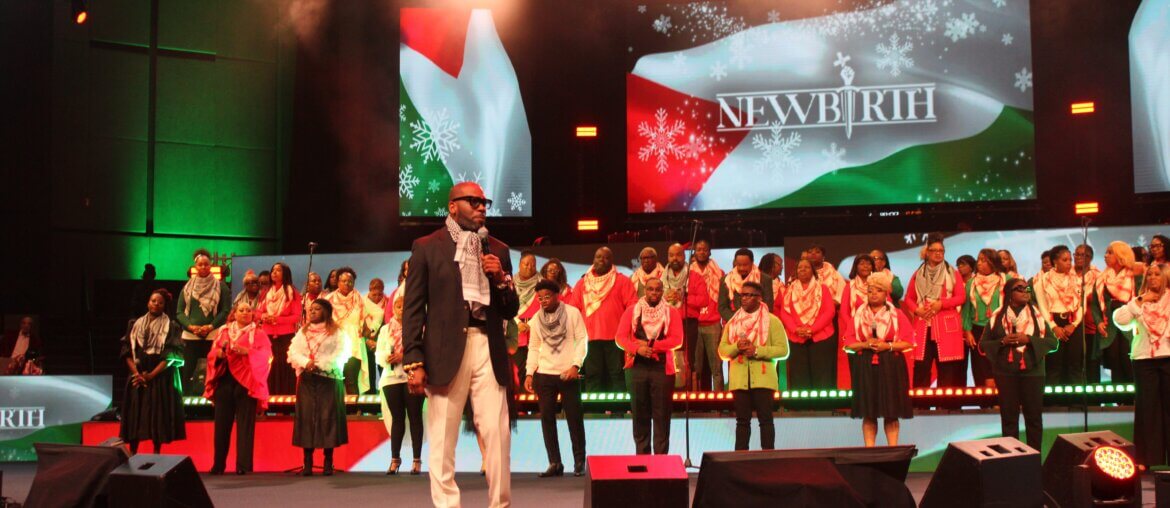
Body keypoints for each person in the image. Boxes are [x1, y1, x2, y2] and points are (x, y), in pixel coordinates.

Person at [402, 182, 519, 508]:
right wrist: (414, 359)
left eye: (484, 202)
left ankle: (500, 504)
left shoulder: (498, 249)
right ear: (452, 207)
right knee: (441, 437)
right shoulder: (427, 247)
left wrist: (500, 280)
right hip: (443, 351)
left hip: (487, 344)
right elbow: (413, 309)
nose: (482, 207)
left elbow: (511, 309)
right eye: (474, 201)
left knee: (497, 435)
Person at [980, 278, 1058, 452]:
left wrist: (1028, 339)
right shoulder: (997, 317)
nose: (1025, 291)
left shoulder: (1038, 316)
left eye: (1027, 288)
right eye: (1019, 289)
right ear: (1009, 294)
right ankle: (1011, 459)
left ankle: (1034, 459)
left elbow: (1053, 343)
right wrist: (1002, 341)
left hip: (1033, 373)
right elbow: (983, 345)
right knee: (1009, 419)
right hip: (1005, 373)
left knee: (1034, 419)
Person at [524, 279, 589, 477]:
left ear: (557, 295)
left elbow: (582, 339)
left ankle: (579, 463)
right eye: (540, 298)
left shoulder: (572, 313)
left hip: (567, 373)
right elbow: (534, 347)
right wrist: (529, 372)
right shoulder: (535, 319)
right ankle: (555, 462)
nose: (543, 300)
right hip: (544, 374)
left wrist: (575, 365)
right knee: (547, 419)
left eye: (547, 296)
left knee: (574, 419)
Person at [843, 272, 915, 447]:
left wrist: (888, 346)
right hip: (865, 364)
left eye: (878, 290)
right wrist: (865, 344)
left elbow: (909, 342)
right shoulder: (858, 315)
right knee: (869, 411)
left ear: (886, 294)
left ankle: (893, 449)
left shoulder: (897, 314)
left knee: (892, 410)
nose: (873, 294)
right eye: (870, 290)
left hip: (891, 363)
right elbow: (848, 344)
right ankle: (869, 450)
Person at [615, 278, 683, 455]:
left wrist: (652, 348)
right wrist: (638, 349)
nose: (654, 293)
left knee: (661, 416)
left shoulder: (671, 312)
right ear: (645, 290)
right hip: (637, 367)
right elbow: (620, 338)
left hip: (662, 368)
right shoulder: (632, 311)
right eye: (650, 289)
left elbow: (677, 340)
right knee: (639, 414)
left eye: (658, 290)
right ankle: (642, 458)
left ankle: (661, 460)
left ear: (662, 292)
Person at [1113, 262, 1170, 470]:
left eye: (1157, 274)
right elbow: (1120, 320)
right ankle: (1145, 458)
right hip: (1144, 359)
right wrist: (1140, 300)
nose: (1153, 277)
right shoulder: (1139, 300)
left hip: (1167, 356)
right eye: (1150, 274)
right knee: (1147, 409)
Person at [718, 281, 788, 450]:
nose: (745, 298)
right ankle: (740, 460)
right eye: (743, 295)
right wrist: (737, 347)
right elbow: (722, 351)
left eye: (749, 295)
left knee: (765, 420)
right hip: (739, 380)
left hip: (763, 379)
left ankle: (768, 460)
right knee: (742, 421)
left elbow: (783, 351)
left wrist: (757, 351)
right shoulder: (732, 322)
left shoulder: (772, 321)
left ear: (759, 298)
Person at [204, 300, 272, 475]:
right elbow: (212, 353)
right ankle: (218, 465)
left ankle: (243, 466)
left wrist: (247, 352)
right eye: (241, 310)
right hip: (225, 380)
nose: (245, 313)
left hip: (246, 383)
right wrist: (218, 354)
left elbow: (267, 356)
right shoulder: (223, 331)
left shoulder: (258, 333)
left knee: (245, 427)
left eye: (248, 310)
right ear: (234, 313)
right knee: (221, 426)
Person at [120, 289, 186, 454]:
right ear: (148, 302)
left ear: (165, 306)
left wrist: (150, 376)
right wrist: (137, 374)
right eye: (153, 301)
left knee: (157, 417)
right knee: (135, 415)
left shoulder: (170, 326)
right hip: (137, 377)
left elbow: (170, 356)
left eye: (160, 302)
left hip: (159, 377)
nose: (156, 304)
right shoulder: (134, 324)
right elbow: (126, 353)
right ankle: (132, 453)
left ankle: (157, 454)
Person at [288, 298, 349, 476]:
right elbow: (293, 352)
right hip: (307, 380)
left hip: (328, 380)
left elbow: (341, 352)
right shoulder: (303, 332)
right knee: (307, 419)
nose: (312, 311)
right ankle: (307, 463)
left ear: (326, 312)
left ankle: (328, 462)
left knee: (327, 418)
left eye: (317, 309)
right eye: (311, 309)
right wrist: (306, 362)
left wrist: (321, 364)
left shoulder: (337, 332)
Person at [570, 246, 637, 393]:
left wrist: (626, 331)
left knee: (617, 375)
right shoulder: (582, 283)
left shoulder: (622, 281)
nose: (602, 260)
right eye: (598, 257)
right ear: (593, 260)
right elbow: (573, 309)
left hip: (616, 339)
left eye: (606, 257)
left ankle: (618, 413)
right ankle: (593, 412)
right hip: (590, 339)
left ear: (612, 261)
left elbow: (633, 307)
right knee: (593, 376)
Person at [905, 234, 967, 389]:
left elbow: (961, 297)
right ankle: (920, 407)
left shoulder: (952, 273)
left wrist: (942, 304)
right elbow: (908, 298)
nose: (938, 253)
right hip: (924, 324)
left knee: (947, 367)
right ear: (927, 252)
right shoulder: (918, 273)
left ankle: (945, 407)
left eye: (941, 251)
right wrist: (917, 310)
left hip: (946, 325)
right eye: (934, 250)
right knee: (921, 367)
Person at [376, 293, 424, 475]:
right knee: (397, 418)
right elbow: (378, 354)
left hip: (411, 376)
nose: (401, 310)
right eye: (398, 307)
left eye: (405, 307)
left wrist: (404, 357)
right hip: (391, 378)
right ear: (393, 309)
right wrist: (388, 358)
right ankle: (395, 459)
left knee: (415, 417)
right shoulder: (385, 330)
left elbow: (423, 349)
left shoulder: (417, 328)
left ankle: (417, 460)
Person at [177, 250, 232, 395]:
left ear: (210, 266)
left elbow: (226, 310)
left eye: (206, 264)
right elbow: (179, 312)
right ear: (195, 267)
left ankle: (215, 399)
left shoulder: (221, 286)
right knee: (187, 371)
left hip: (213, 336)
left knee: (215, 370)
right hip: (191, 336)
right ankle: (185, 401)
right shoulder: (187, 287)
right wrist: (190, 327)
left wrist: (210, 326)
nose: (203, 267)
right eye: (200, 264)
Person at [779, 259, 837, 389]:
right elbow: (784, 313)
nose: (803, 270)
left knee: (821, 374)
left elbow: (829, 311)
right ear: (796, 271)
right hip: (796, 337)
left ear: (813, 271)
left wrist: (812, 329)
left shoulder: (823, 288)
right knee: (799, 375)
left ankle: (822, 408)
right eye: (800, 268)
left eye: (807, 267)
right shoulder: (790, 289)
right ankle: (801, 407)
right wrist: (795, 329)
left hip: (821, 337)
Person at [1033, 246, 1087, 386]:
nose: (1069, 262)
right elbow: (1043, 306)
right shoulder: (1042, 281)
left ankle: (1076, 402)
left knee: (1075, 364)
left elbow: (1082, 304)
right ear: (1054, 261)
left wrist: (1074, 324)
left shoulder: (1077, 280)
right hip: (1053, 322)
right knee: (1054, 365)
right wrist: (1053, 327)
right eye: (1064, 260)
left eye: (1070, 259)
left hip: (1073, 322)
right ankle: (1053, 403)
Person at [662, 243, 711, 390]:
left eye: (678, 255)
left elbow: (704, 300)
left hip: (687, 323)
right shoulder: (662, 277)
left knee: (687, 359)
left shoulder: (694, 276)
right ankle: (670, 391)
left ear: (684, 256)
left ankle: (686, 392)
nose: (674, 258)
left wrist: (683, 297)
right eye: (671, 255)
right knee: (669, 359)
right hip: (666, 323)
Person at [961, 249, 1009, 390]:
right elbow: (966, 310)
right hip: (977, 330)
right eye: (979, 259)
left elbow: (1027, 288)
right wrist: (967, 331)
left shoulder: (1005, 280)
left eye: (984, 260)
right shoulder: (971, 283)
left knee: (999, 364)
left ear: (993, 263)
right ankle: (984, 404)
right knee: (980, 366)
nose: (979, 263)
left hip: (999, 329)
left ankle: (1001, 400)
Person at [1097, 241, 1141, 383]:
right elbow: (1095, 304)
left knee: (1128, 358)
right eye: (1106, 252)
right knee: (1114, 360)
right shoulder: (1102, 277)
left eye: (1110, 253)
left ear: (1120, 255)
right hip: (1110, 324)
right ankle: (1119, 400)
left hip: (1131, 322)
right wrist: (1098, 322)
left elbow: (1142, 298)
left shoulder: (1134, 275)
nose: (1106, 256)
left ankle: (1133, 399)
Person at [258, 262, 302, 395]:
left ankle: (285, 400)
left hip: (285, 337)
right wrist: (264, 316)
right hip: (267, 336)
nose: (274, 273)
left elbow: (296, 317)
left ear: (285, 274)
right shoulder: (266, 292)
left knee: (284, 367)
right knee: (269, 367)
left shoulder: (292, 292)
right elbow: (258, 312)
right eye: (273, 271)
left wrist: (277, 319)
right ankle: (268, 398)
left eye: (278, 270)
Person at [325, 266, 369, 394]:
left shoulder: (359, 299)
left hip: (354, 345)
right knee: (335, 380)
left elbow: (364, 323)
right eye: (343, 281)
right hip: (334, 343)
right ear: (338, 282)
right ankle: (335, 411)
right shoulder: (329, 300)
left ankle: (353, 412)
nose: (347, 283)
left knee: (351, 380)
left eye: (350, 281)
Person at [690, 239, 726, 391]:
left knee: (716, 367)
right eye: (699, 249)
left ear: (710, 252)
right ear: (694, 252)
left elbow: (724, 301)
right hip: (694, 324)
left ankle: (719, 403)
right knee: (695, 368)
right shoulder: (687, 275)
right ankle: (694, 404)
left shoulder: (720, 274)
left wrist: (724, 324)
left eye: (705, 249)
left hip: (713, 323)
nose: (702, 252)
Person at [838, 254, 876, 390]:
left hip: (876, 334)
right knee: (857, 373)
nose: (865, 266)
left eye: (868, 263)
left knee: (876, 373)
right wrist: (855, 329)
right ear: (856, 267)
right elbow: (843, 312)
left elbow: (887, 307)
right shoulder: (849, 287)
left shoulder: (879, 285)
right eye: (862, 263)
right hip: (855, 336)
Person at [512, 251, 542, 392]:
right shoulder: (510, 283)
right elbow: (506, 307)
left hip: (535, 330)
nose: (530, 267)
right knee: (519, 369)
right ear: (519, 265)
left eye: (533, 264)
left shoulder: (542, 283)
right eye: (526, 264)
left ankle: (536, 400)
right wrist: (518, 323)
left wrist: (529, 325)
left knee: (535, 368)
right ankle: (522, 401)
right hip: (516, 331)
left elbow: (544, 307)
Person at [718, 248, 773, 322]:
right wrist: (737, 320)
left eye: (745, 265)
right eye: (739, 265)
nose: (742, 268)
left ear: (752, 262)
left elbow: (768, 306)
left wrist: (753, 319)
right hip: (734, 322)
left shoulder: (765, 279)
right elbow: (722, 307)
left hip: (758, 322)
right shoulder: (726, 280)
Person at [1075, 244, 1104, 383]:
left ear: (1090, 258)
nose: (1079, 258)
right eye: (1077, 254)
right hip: (1073, 327)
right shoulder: (1068, 275)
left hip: (1091, 327)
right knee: (1075, 363)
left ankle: (1094, 401)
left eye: (1083, 255)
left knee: (1092, 364)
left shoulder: (1098, 276)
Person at [364, 278, 389, 394]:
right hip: (366, 341)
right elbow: (358, 322)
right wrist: (367, 339)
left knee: (383, 369)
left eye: (380, 294)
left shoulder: (388, 302)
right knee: (369, 372)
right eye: (374, 294)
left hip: (382, 341)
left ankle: (384, 396)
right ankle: (370, 400)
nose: (377, 297)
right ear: (369, 290)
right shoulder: (362, 302)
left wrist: (378, 343)